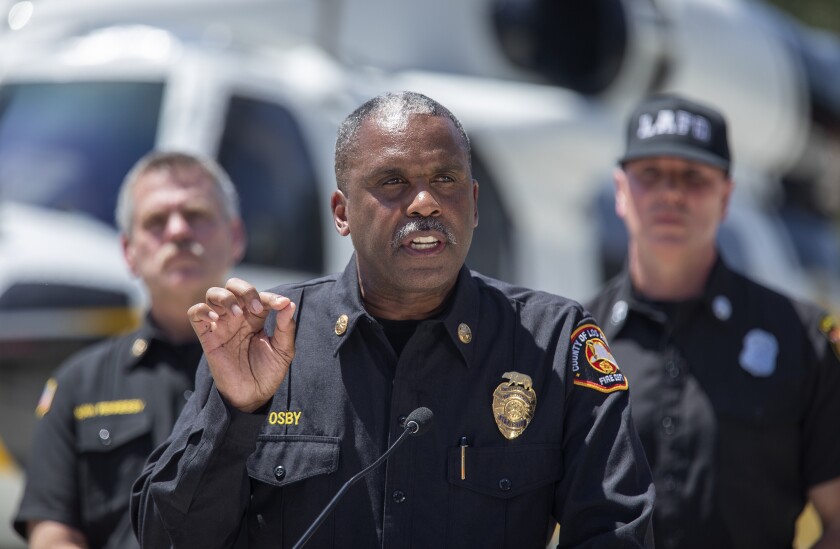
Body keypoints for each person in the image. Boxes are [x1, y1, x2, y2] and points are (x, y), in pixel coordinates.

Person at [131, 91, 655, 548]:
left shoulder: (552, 342)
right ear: (342, 212)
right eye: (393, 181)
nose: (425, 201)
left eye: (445, 179)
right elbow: (169, 538)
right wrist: (236, 414)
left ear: (472, 204)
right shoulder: (264, 335)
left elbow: (616, 530)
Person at [586, 93, 840, 548]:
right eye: (651, 175)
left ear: (726, 195)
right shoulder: (577, 340)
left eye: (693, 177)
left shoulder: (801, 339)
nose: (671, 193)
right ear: (621, 191)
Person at [13, 151, 246, 548]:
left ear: (236, 237)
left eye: (196, 215)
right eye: (156, 221)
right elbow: (52, 530)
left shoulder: (289, 365)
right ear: (129, 252)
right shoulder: (79, 384)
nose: (177, 231)